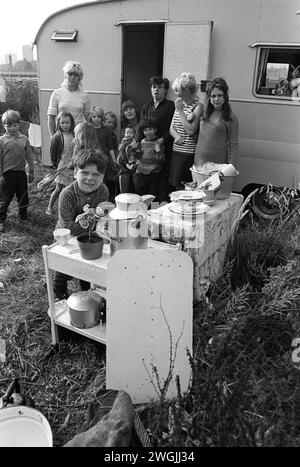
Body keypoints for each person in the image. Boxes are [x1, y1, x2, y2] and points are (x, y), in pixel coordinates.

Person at [53, 149, 109, 300]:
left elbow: (103, 215)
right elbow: (69, 227)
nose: (90, 178)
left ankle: (87, 293)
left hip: (90, 238)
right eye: (84, 173)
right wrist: (95, 220)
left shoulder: (103, 190)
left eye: (96, 174)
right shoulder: (67, 194)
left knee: (89, 268)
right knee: (64, 270)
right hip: (66, 239)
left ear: (102, 177)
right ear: (75, 173)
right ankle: (59, 292)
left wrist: (99, 220)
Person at [138, 76, 175, 202]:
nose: (156, 90)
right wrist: (136, 143)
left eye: (160, 87)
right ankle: (145, 211)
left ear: (165, 90)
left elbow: (174, 127)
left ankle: (158, 211)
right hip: (147, 153)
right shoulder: (146, 106)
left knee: (162, 183)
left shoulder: (171, 106)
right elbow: (140, 127)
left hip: (165, 149)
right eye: (154, 87)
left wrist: (162, 139)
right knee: (145, 184)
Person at [0, 110, 34, 233]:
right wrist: (0, 175)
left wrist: (32, 170)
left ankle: (23, 217)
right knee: (5, 198)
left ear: (19, 125)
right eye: (9, 125)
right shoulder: (2, 140)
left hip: (21, 173)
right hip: (7, 174)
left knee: (23, 196)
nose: (12, 127)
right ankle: (1, 220)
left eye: (14, 124)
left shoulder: (24, 138)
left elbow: (29, 155)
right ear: (4, 125)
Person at [168, 72, 203, 191]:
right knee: (177, 186)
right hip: (177, 151)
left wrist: (181, 111)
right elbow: (171, 127)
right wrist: (176, 136)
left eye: (178, 91)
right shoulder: (180, 105)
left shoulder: (198, 107)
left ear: (187, 91)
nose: (176, 94)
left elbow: (191, 130)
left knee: (187, 188)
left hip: (189, 154)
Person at [194, 77, 239, 167]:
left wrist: (230, 168)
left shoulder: (231, 117)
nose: (216, 99)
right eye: (213, 96)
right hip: (200, 162)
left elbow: (233, 146)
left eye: (220, 95)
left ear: (225, 96)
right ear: (209, 97)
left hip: (218, 165)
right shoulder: (203, 112)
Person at [47, 60, 91, 137]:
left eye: (76, 75)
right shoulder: (57, 93)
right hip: (61, 135)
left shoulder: (85, 95)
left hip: (79, 135)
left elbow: (87, 117)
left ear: (80, 77)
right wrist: (52, 137)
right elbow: (51, 117)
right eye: (70, 74)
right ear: (65, 76)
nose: (72, 77)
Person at [45, 111, 75, 215]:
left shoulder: (74, 134)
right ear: (58, 123)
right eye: (62, 123)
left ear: (71, 123)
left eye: (67, 122)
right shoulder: (57, 136)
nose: (65, 125)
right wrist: (55, 165)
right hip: (61, 166)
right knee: (58, 189)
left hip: (73, 167)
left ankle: (67, 209)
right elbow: (52, 152)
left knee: (70, 190)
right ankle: (50, 207)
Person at [89, 106, 118, 202]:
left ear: (102, 118)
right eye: (94, 116)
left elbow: (110, 147)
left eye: (99, 117)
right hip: (90, 158)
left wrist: (114, 160)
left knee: (102, 180)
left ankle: (103, 199)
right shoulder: (88, 129)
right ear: (90, 117)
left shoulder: (106, 130)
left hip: (103, 159)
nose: (96, 119)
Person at [133, 116, 164, 199]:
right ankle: (140, 211)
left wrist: (158, 151)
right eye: (145, 130)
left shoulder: (159, 142)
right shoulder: (142, 142)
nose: (148, 132)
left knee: (153, 195)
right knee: (140, 194)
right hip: (141, 173)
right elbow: (138, 156)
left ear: (155, 129)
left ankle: (154, 211)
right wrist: (136, 150)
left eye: (150, 129)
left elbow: (162, 159)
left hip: (153, 173)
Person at [117, 127, 142, 193]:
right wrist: (126, 164)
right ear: (124, 134)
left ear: (134, 134)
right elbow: (122, 154)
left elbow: (138, 153)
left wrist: (136, 149)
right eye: (127, 133)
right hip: (124, 165)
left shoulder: (134, 142)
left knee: (137, 181)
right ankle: (123, 197)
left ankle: (137, 196)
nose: (129, 134)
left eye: (131, 133)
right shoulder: (123, 143)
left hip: (134, 164)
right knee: (124, 179)